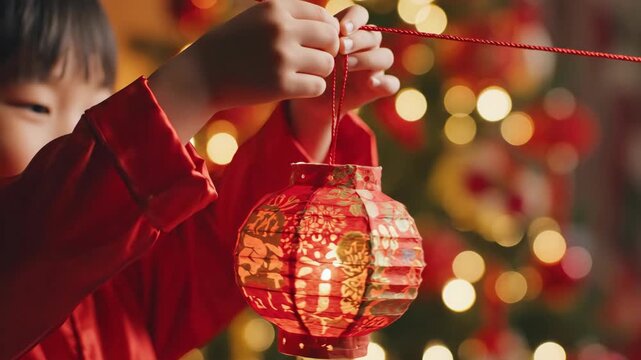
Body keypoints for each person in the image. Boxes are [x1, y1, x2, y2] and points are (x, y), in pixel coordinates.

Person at [0, 0, 399, 358]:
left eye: (98, 107)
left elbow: (227, 248)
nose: (77, 133)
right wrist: (197, 81)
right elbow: (38, 238)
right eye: (35, 105)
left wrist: (311, 120)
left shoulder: (120, 283)